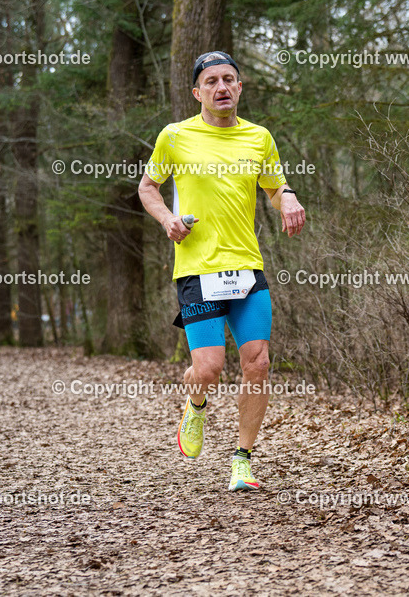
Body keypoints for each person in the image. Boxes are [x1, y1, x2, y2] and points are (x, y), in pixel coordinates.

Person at [138, 51, 306, 491]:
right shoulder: (175, 137)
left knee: (258, 364)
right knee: (209, 369)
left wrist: (286, 196)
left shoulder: (259, 138)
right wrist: (166, 219)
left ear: (240, 87)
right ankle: (195, 405)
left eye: (229, 79)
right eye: (211, 81)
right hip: (197, 270)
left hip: (247, 268)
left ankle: (242, 461)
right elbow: (148, 187)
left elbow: (273, 187)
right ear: (198, 93)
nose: (221, 87)